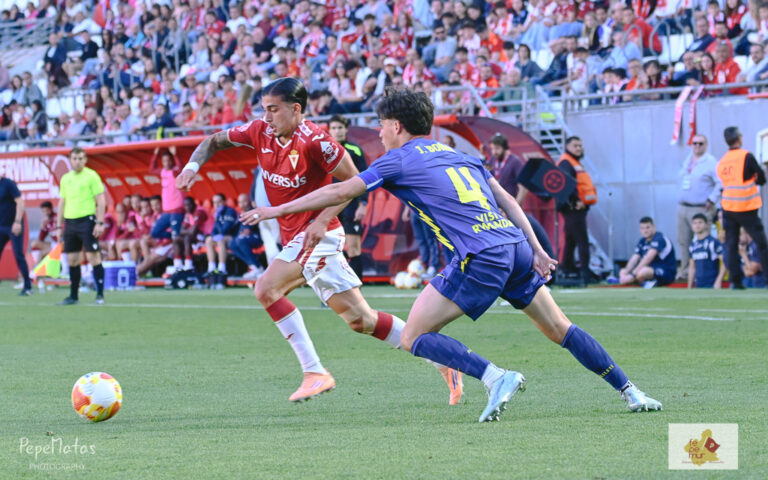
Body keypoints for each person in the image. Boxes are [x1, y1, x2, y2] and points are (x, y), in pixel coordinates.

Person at [242, 88, 662, 422]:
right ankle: (632, 392)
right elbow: (507, 201)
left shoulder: (396, 160)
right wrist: (536, 248)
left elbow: (340, 190)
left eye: (382, 125)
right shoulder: (462, 155)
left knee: (414, 337)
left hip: (481, 255)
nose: (380, 133)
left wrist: (275, 210)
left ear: (397, 126)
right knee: (560, 328)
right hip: (514, 247)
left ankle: (495, 376)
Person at [175, 78, 461, 404]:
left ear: (296, 109)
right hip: (297, 237)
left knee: (266, 288)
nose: (266, 117)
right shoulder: (259, 131)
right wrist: (192, 167)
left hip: (318, 234)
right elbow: (213, 141)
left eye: (273, 110)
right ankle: (442, 360)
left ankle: (314, 372)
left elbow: (355, 182)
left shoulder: (316, 142)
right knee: (361, 320)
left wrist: (322, 220)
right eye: (264, 109)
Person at [716, 126, 768, 289]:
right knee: (761, 243)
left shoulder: (723, 161)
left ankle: (735, 281)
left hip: (728, 207)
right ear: (739, 138)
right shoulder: (746, 156)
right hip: (745, 206)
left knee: (731, 245)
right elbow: (761, 179)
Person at [56, 147, 107, 305]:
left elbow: (101, 200)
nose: (77, 162)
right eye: (75, 159)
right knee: (72, 260)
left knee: (93, 257)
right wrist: (59, 226)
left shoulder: (92, 176)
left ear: (85, 160)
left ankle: (100, 294)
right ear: (70, 160)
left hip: (87, 221)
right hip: (70, 222)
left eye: (80, 159)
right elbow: (62, 202)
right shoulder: (65, 178)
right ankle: (73, 296)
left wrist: (99, 222)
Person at [328, 115, 368, 281]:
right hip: (329, 205)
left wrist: (363, 204)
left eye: (340, 128)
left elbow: (365, 178)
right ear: (329, 130)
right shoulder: (323, 150)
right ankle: (333, 286)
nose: (337, 131)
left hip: (351, 204)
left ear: (346, 130)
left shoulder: (355, 150)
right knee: (329, 249)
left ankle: (357, 287)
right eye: (334, 128)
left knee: (353, 248)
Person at [676, 135, 720, 281]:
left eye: (700, 143)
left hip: (700, 207)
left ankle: (706, 273)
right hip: (683, 206)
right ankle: (685, 273)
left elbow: (720, 183)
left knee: (703, 240)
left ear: (706, 145)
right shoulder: (688, 160)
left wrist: (712, 199)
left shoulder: (711, 162)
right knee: (684, 240)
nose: (697, 146)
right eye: (694, 143)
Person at [557, 136, 597, 283]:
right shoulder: (566, 162)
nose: (579, 148)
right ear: (567, 147)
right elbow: (566, 182)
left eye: (580, 145)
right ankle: (584, 272)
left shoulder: (572, 162)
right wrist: (575, 201)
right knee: (581, 240)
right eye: (575, 146)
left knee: (571, 240)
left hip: (575, 207)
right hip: (573, 208)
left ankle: (567, 269)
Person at [148, 146, 186, 270]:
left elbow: (181, 168)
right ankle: (179, 236)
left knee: (175, 237)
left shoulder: (175, 171)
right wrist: (155, 153)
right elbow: (151, 169)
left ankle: (178, 264)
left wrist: (175, 155)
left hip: (177, 209)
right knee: (155, 232)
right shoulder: (163, 172)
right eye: (164, 161)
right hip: (166, 211)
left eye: (169, 160)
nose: (167, 163)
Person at [618, 217, 677, 288]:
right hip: (651, 270)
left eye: (647, 227)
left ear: (653, 227)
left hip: (665, 271)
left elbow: (648, 258)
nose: (645, 231)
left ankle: (635, 281)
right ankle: (638, 281)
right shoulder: (642, 241)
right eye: (642, 228)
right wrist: (626, 272)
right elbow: (634, 258)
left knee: (642, 272)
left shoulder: (660, 239)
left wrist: (632, 275)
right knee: (623, 271)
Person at [0, 172, 32, 296]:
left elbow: (20, 202)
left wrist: (17, 222)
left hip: (13, 226)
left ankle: (27, 286)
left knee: (18, 255)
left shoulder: (8, 183)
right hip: (1, 226)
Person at [204, 193, 239, 288]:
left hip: (233, 236)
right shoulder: (217, 213)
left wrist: (217, 217)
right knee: (209, 240)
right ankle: (211, 268)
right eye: (214, 202)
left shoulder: (230, 211)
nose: (217, 205)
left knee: (221, 240)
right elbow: (214, 230)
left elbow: (225, 229)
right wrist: (212, 236)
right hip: (222, 236)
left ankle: (221, 268)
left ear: (224, 202)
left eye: (219, 202)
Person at [229, 193, 265, 280]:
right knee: (232, 244)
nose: (242, 204)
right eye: (240, 202)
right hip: (244, 239)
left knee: (240, 240)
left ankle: (258, 267)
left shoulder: (254, 211)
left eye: (244, 201)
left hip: (257, 238)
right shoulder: (240, 214)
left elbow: (248, 231)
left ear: (249, 201)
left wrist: (244, 233)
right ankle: (254, 266)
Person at [687, 213, 725, 289]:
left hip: (712, 284)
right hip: (698, 285)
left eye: (700, 222)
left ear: (706, 225)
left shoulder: (713, 242)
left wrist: (718, 281)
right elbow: (692, 267)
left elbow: (725, 262)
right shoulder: (692, 245)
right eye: (694, 223)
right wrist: (689, 286)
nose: (697, 225)